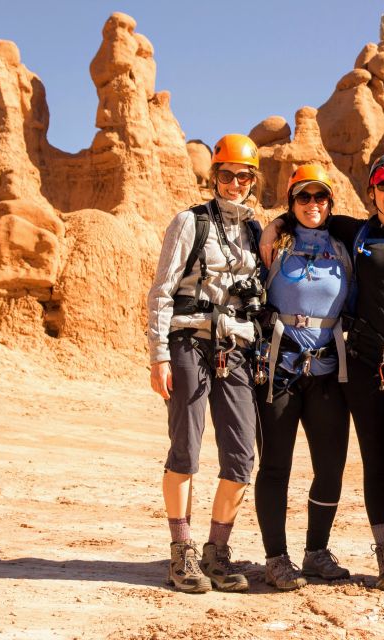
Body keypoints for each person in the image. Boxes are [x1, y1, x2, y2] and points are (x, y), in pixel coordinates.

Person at [260, 153, 384, 599]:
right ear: (371, 192)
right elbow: (298, 218)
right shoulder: (346, 231)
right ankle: (377, 562)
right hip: (339, 366)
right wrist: (274, 224)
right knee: (339, 465)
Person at [147, 133, 263, 593]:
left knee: (241, 456)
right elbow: (161, 290)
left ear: (254, 180)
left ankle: (217, 553)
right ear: (214, 176)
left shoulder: (256, 231)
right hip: (190, 345)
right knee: (186, 451)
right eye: (227, 174)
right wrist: (158, 355)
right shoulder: (189, 222)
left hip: (236, 352)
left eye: (244, 176)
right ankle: (182, 554)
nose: (235, 183)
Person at [254, 163, 353, 591]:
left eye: (320, 197)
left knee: (330, 467)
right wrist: (275, 224)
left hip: (329, 368)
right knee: (275, 465)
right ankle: (276, 558)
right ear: (291, 202)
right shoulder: (276, 243)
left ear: (331, 203)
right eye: (303, 197)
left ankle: (316, 551)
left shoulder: (344, 244)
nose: (312, 205)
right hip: (281, 367)